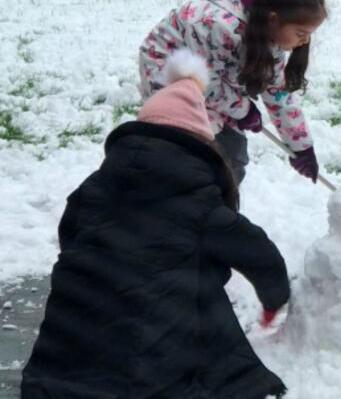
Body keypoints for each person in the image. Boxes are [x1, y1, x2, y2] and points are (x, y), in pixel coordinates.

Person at [22, 51, 291, 399]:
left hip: (65, 353)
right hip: (149, 366)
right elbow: (258, 253)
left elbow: (69, 237)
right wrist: (274, 300)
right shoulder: (199, 202)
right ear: (200, 143)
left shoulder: (93, 188)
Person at [139, 0, 327, 185]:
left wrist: (301, 146)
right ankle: (175, 194)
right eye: (301, 33)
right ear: (274, 19)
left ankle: (217, 201)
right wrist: (243, 110)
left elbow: (277, 91)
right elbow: (206, 84)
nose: (304, 41)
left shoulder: (271, 28)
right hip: (170, 67)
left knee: (233, 156)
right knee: (195, 146)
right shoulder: (217, 25)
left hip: (215, 74)